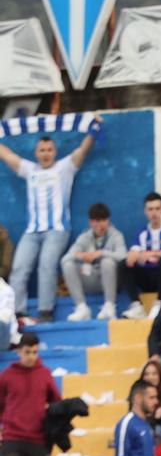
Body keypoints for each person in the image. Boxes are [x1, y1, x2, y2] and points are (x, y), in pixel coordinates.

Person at [0, 122, 95, 321]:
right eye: (42, 150)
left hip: (57, 230)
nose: (46, 154)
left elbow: (83, 149)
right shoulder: (29, 169)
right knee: (19, 267)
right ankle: (19, 313)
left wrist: (93, 128)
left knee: (46, 265)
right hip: (32, 231)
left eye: (49, 150)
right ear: (36, 153)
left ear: (55, 152)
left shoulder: (65, 167)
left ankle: (45, 311)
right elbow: (7, 155)